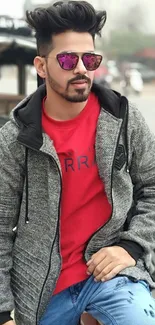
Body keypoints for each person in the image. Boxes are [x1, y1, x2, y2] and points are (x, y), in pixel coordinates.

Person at [0, 1, 155, 325]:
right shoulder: (15, 140)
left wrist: (131, 246)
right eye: (68, 59)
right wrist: (3, 314)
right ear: (41, 66)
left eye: (90, 59)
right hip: (42, 293)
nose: (81, 68)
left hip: (111, 274)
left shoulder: (123, 119)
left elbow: (152, 187)